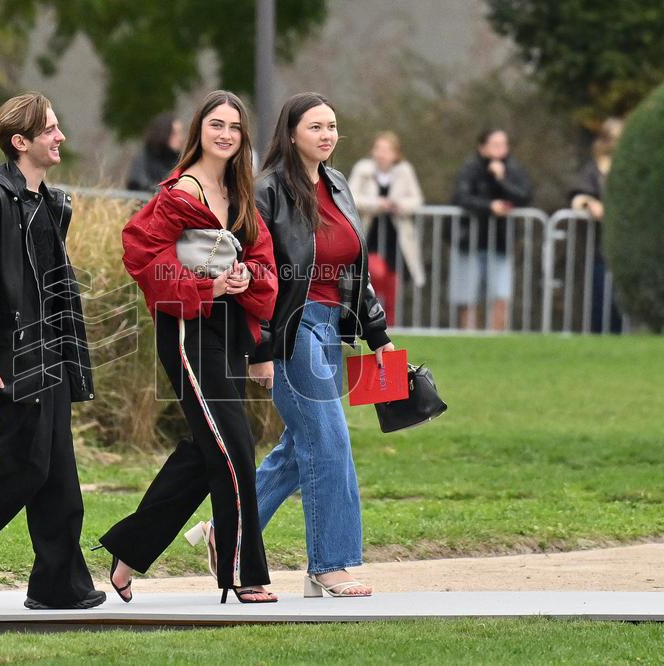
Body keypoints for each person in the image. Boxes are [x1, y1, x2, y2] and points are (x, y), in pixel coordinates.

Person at [99, 90, 279, 604]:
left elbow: (265, 259)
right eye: (216, 124)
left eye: (235, 127)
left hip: (228, 333)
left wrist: (248, 277)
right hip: (188, 333)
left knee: (208, 451)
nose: (225, 134)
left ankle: (129, 550)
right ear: (199, 129)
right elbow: (142, 255)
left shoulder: (242, 196)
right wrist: (207, 287)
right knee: (234, 446)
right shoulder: (180, 193)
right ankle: (244, 571)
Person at [0, 92, 105, 610]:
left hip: (49, 352)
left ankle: (59, 585)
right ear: (20, 142)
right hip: (11, 356)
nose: (60, 137)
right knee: (25, 467)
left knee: (57, 473)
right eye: (50, 129)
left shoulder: (49, 202)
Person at [242, 92, 394, 598]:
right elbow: (257, 277)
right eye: (316, 127)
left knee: (298, 447)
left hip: (333, 327)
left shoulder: (338, 183)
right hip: (293, 328)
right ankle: (329, 565)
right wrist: (260, 349)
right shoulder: (266, 191)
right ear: (290, 134)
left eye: (333, 126)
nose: (327, 135)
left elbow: (356, 268)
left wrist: (378, 335)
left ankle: (228, 535)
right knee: (329, 440)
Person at [451, 129, 532, 331]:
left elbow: (524, 196)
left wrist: (502, 179)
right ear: (483, 147)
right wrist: (490, 207)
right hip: (470, 241)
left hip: (501, 242)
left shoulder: (512, 169)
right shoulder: (470, 168)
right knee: (469, 297)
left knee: (501, 295)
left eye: (503, 144)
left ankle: (496, 338)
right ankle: (468, 337)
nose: (500, 149)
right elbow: (462, 197)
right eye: (495, 144)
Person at [349, 131, 426, 325]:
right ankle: (373, 314)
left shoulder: (404, 171)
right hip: (370, 234)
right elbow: (350, 196)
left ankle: (388, 327)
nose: (381, 153)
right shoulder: (363, 170)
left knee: (393, 284)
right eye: (378, 148)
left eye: (386, 150)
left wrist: (397, 205)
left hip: (396, 237)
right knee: (375, 271)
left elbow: (416, 200)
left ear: (395, 153)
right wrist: (376, 204)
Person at [569, 117, 624, 333]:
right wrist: (590, 203)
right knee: (601, 297)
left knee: (618, 301)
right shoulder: (591, 170)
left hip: (622, 245)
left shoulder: (627, 168)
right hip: (597, 247)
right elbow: (576, 196)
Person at [126, 113, 185, 192]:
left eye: (180, 133)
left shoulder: (181, 162)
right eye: (174, 133)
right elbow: (139, 184)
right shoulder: (143, 160)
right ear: (163, 133)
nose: (180, 138)